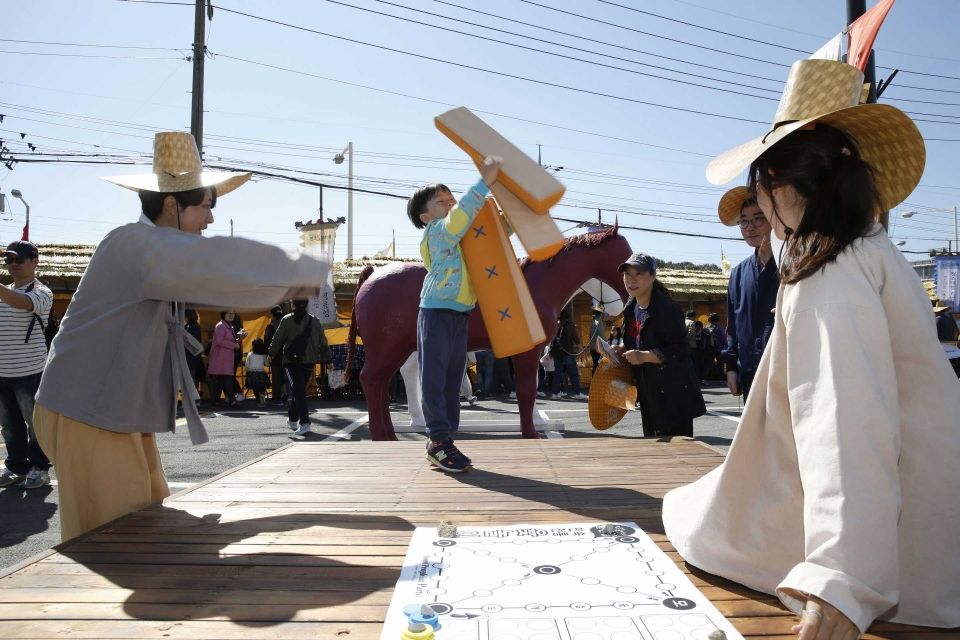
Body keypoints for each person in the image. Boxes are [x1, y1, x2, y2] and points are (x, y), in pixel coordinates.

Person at [663, 59, 960, 636]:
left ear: (778, 188)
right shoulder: (869, 248)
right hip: (933, 516)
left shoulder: (830, 273)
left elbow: (845, 422)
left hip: (900, 554)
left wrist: (842, 580)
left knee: (700, 525)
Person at [33, 131, 329, 541]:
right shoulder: (135, 244)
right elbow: (216, 265)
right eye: (205, 207)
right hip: (92, 412)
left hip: (109, 412)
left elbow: (215, 275)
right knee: (118, 544)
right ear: (171, 204)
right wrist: (302, 270)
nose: (209, 219)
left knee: (147, 528)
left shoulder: (149, 249)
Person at [406, 155, 502, 473]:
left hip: (459, 314)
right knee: (434, 378)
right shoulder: (436, 231)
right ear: (425, 215)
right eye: (441, 201)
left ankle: (445, 439)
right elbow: (459, 218)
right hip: (435, 310)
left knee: (452, 380)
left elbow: (493, 239)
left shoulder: (459, 236)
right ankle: (438, 441)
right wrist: (484, 183)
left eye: (451, 198)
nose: (449, 202)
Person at [617, 252, 705, 437]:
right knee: (652, 446)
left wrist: (644, 356)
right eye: (627, 274)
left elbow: (679, 351)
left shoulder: (667, 309)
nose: (631, 280)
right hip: (648, 391)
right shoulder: (631, 307)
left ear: (653, 276)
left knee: (677, 453)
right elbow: (637, 339)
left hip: (673, 395)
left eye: (638, 274)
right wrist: (622, 349)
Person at [0, 240, 53, 489]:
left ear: (34, 261)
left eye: (18, 260)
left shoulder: (41, 291)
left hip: (30, 372)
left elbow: (21, 303)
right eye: (8, 260)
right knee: (9, 426)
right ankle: (17, 467)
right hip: (3, 372)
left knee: (35, 425)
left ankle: (40, 468)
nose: (12, 265)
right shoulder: (6, 290)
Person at [717, 187, 779, 399]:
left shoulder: (793, 265)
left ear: (775, 219)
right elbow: (732, 327)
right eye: (743, 221)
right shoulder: (738, 273)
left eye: (758, 219)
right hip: (750, 373)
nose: (749, 227)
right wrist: (731, 366)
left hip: (786, 372)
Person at [268, 298, 331, 435]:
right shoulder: (315, 321)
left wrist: (271, 353)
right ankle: (292, 419)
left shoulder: (287, 319)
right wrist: (329, 359)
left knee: (298, 392)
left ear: (293, 305)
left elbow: (278, 338)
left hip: (292, 362)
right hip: (310, 361)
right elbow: (323, 341)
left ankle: (305, 423)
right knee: (299, 391)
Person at [207, 310, 243, 407]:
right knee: (222, 379)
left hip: (225, 358)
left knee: (224, 379)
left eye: (233, 313)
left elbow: (226, 340)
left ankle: (224, 400)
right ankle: (228, 400)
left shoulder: (227, 326)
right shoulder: (220, 326)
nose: (231, 315)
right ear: (223, 314)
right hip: (220, 357)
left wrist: (239, 339)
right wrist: (234, 345)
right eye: (228, 313)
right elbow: (219, 341)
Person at [551, 315, 587, 400]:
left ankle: (554, 393)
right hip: (568, 352)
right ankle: (577, 393)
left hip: (557, 353)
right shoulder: (570, 325)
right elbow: (576, 339)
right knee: (573, 374)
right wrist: (580, 348)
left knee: (557, 374)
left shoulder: (555, 324)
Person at [263, 305, 285, 404]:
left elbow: (267, 342)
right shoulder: (286, 324)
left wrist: (269, 354)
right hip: (287, 355)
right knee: (286, 377)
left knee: (276, 377)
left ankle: (277, 398)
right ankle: (287, 397)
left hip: (275, 355)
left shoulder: (271, 326)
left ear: (272, 314)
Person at [183, 308, 204, 397]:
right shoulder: (193, 326)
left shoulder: (192, 327)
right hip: (193, 357)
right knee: (192, 378)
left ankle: (193, 398)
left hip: (191, 357)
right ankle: (194, 398)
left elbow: (191, 341)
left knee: (191, 379)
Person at [244, 338, 270, 407]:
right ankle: (262, 396)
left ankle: (259, 399)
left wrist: (248, 371)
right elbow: (267, 364)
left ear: (253, 346)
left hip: (252, 373)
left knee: (255, 387)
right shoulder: (263, 355)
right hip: (261, 373)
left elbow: (246, 366)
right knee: (262, 386)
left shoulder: (250, 354)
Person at [588, 305, 605, 374]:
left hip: (593, 347)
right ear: (601, 313)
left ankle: (593, 381)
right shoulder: (599, 322)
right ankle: (596, 382)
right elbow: (601, 335)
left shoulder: (593, 322)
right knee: (598, 366)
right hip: (598, 348)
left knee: (595, 364)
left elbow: (590, 335)